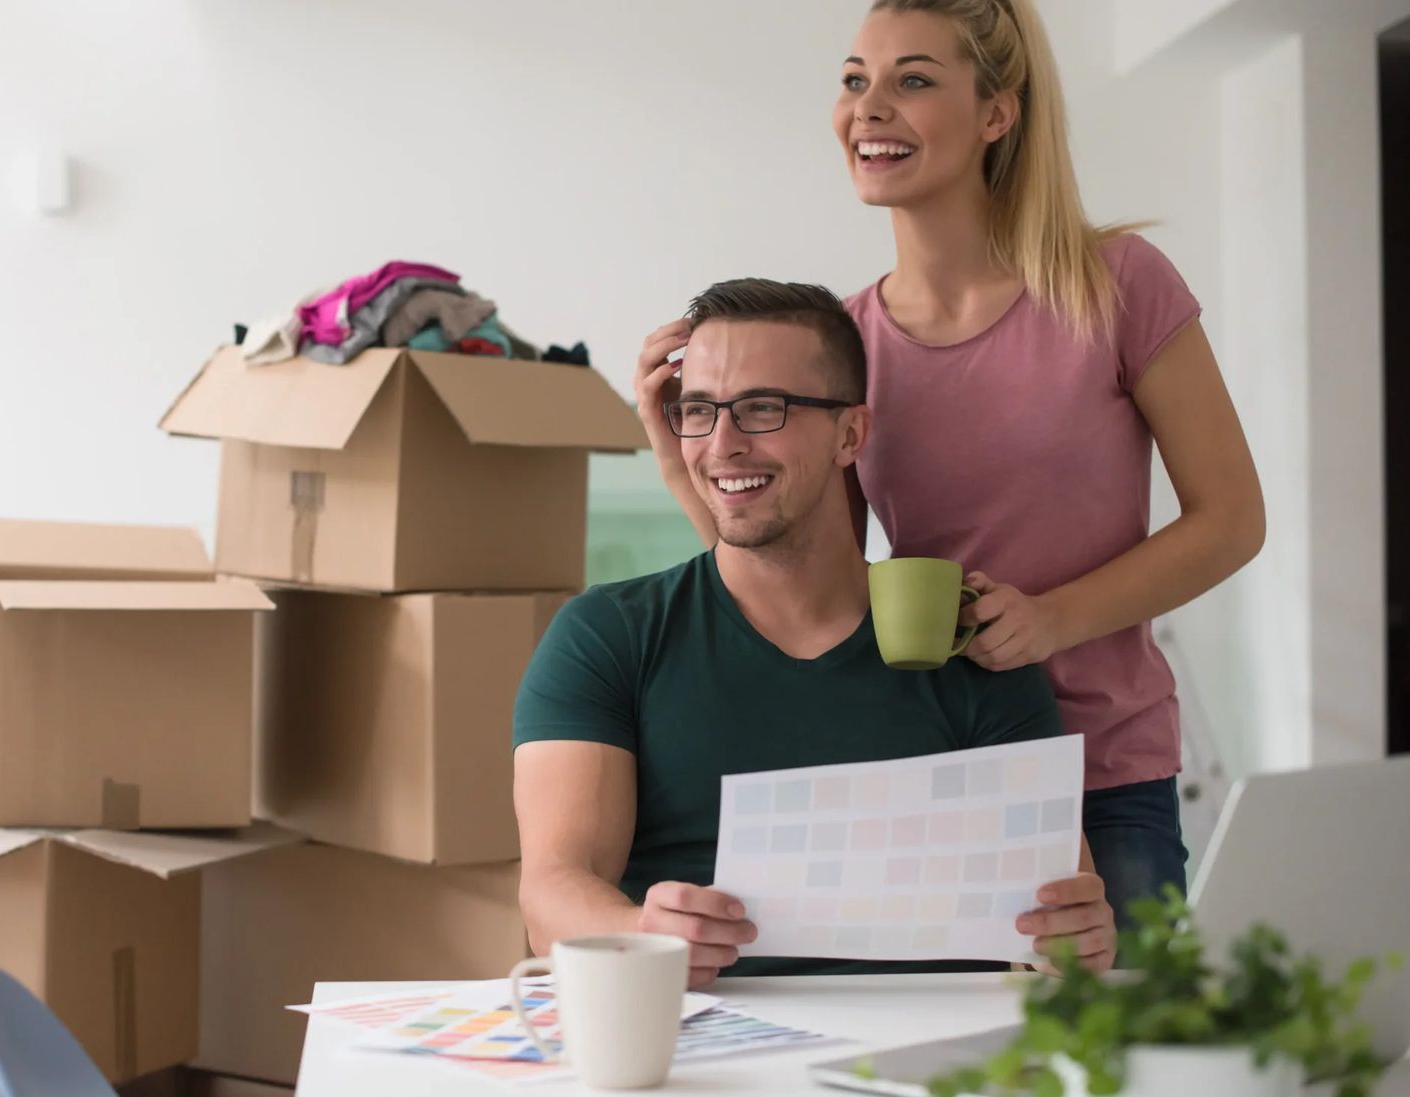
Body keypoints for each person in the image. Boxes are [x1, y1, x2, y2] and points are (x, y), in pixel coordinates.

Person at [634, 0, 1263, 924]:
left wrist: (1051, 620)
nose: (869, 107)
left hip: (1103, 765)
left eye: (913, 80)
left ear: (997, 113)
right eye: (856, 82)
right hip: (923, 776)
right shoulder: (843, 344)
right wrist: (673, 454)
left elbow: (1231, 519)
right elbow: (808, 573)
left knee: (1125, 1056)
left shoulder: (1117, 284)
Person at [515, 279, 1115, 988]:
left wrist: (1078, 933)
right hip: (710, 1041)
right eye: (700, 411)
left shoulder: (968, 640)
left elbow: (1060, 908)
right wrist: (640, 933)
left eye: (763, 408)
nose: (723, 444)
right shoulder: (607, 635)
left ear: (850, 434)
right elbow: (552, 892)